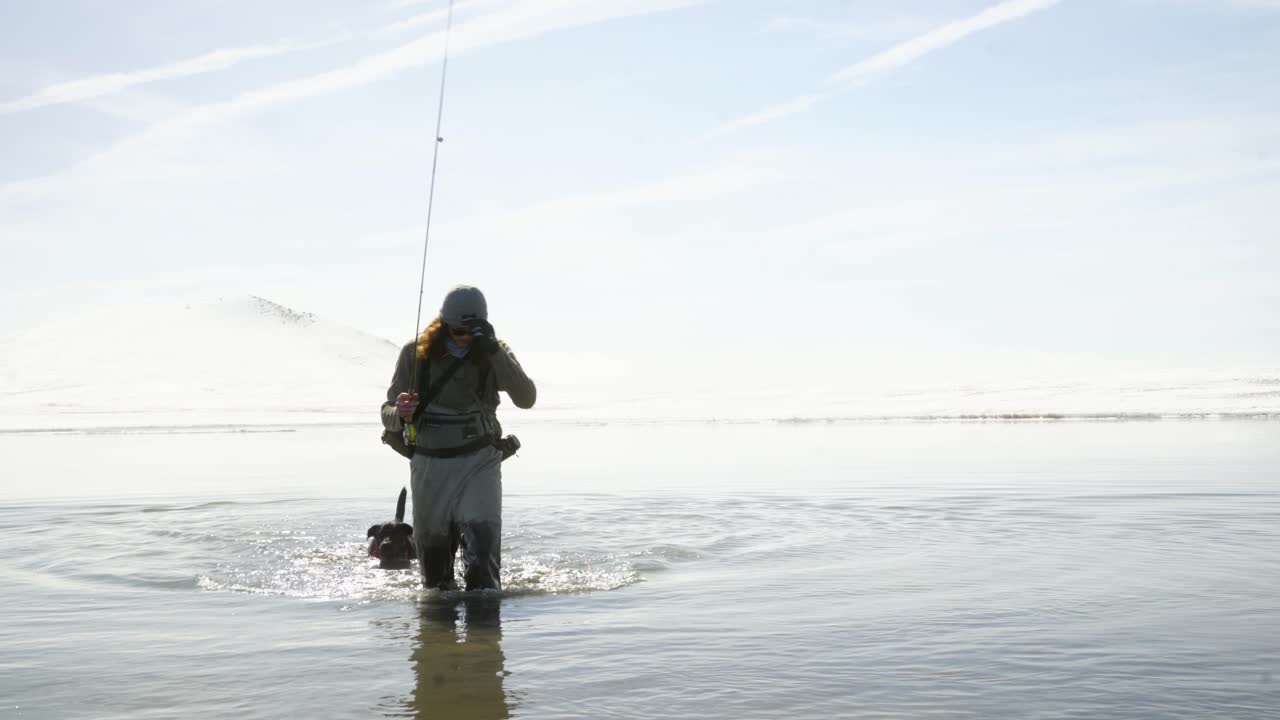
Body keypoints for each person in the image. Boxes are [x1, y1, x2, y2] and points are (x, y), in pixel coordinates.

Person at [381, 285, 536, 591]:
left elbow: (526, 398)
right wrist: (399, 411)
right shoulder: (414, 354)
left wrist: (492, 349)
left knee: (483, 567)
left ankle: (484, 629)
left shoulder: (495, 351)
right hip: (429, 466)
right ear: (443, 323)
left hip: (480, 463)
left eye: (471, 330)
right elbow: (386, 412)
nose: (462, 336)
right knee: (435, 582)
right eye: (456, 329)